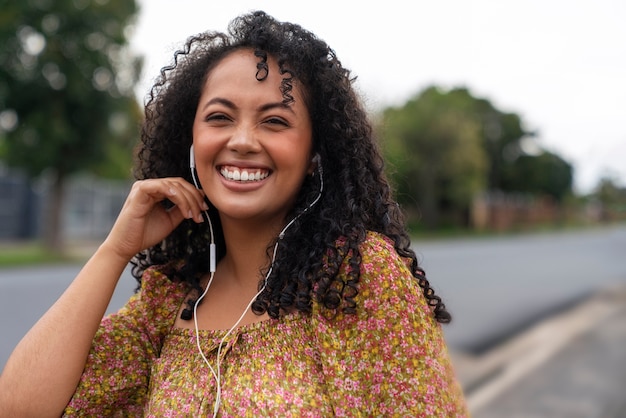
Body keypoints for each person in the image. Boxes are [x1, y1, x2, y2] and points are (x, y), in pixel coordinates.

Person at [0, 11, 468, 417]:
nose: (242, 140)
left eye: (275, 121)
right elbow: (20, 408)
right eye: (220, 117)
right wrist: (114, 250)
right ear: (191, 143)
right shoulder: (169, 303)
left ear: (314, 156)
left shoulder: (357, 279)